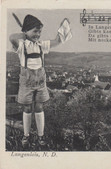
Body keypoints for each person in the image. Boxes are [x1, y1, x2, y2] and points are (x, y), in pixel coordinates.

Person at [9, 14, 70, 147]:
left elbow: (57, 41)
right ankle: (26, 135)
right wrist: (24, 35)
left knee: (39, 106)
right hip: (26, 81)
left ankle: (41, 135)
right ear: (25, 31)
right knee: (26, 107)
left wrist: (63, 27)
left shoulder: (42, 45)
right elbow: (11, 37)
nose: (38, 34)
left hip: (41, 81)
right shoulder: (21, 45)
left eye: (40, 31)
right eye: (35, 31)